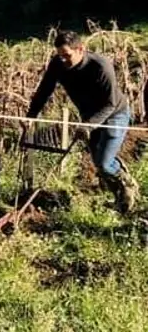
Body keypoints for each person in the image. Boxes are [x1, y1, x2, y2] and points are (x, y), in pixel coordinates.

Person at [24, 30, 139, 214]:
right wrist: (30, 116)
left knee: (103, 162)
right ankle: (119, 200)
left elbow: (110, 103)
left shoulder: (100, 66)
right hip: (89, 116)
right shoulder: (58, 65)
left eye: (67, 55)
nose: (63, 60)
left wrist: (88, 125)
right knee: (98, 160)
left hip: (114, 114)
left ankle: (127, 184)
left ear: (80, 50)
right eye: (60, 56)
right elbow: (44, 91)